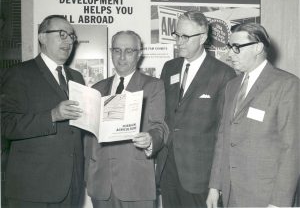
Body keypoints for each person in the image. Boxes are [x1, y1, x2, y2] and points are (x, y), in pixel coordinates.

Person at [207, 22, 300, 207]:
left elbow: (292, 150)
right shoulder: (232, 86)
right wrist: (214, 186)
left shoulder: (287, 85)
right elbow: (224, 139)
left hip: (265, 196)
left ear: (257, 47)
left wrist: (279, 203)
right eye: (229, 47)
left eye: (236, 48)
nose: (229, 54)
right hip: (231, 192)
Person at [1, 15, 85, 207]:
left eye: (71, 36)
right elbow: (5, 125)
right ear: (42, 37)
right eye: (62, 34)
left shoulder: (77, 77)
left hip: (71, 186)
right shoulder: (18, 74)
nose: (68, 40)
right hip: (32, 188)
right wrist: (52, 116)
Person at [156, 11, 236, 208]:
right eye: (177, 35)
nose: (179, 42)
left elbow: (223, 133)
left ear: (203, 37)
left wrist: (215, 185)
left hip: (199, 175)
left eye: (186, 37)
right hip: (168, 169)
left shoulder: (223, 74)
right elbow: (163, 116)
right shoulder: (169, 68)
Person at [84, 30, 168, 208]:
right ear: (111, 52)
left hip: (136, 181)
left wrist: (150, 139)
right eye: (117, 50)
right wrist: (88, 174)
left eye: (129, 51)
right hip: (101, 183)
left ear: (139, 54)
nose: (122, 57)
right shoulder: (97, 89)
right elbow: (88, 137)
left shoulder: (153, 86)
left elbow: (159, 127)